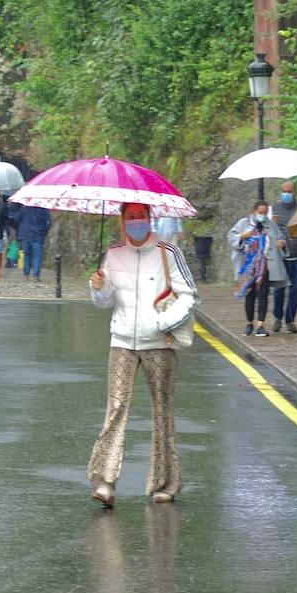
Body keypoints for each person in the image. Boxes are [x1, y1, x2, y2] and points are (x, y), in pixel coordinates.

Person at [88, 202, 198, 506]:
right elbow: (103, 301)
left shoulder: (168, 252)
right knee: (116, 408)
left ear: (150, 218)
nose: (137, 221)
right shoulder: (113, 253)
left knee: (162, 410)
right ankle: (105, 482)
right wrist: (98, 287)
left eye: (142, 216)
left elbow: (190, 295)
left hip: (159, 343)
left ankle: (165, 483)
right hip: (122, 341)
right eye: (131, 216)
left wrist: (162, 323)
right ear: (122, 220)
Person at [229, 200, 289, 337]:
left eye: (265, 212)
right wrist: (242, 236)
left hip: (265, 266)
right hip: (247, 267)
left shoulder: (271, 225)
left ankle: (260, 325)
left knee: (263, 295)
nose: (262, 215)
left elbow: (280, 239)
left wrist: (282, 244)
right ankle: (249, 323)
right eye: (260, 212)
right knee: (249, 295)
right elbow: (231, 237)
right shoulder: (244, 223)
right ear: (253, 211)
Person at [273, 182, 297, 333]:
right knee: (279, 289)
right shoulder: (274, 209)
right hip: (281, 257)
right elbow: (271, 229)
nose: (286, 194)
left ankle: (290, 320)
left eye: (289, 191)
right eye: (283, 191)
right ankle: (277, 318)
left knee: (294, 290)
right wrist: (275, 240)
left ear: (295, 193)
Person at [14, 203, 53, 280]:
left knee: (27, 254)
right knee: (37, 255)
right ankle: (36, 274)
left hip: (25, 233)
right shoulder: (43, 208)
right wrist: (44, 231)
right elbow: (48, 222)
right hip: (38, 234)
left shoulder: (24, 207)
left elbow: (16, 218)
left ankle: (26, 274)